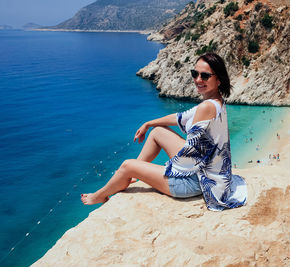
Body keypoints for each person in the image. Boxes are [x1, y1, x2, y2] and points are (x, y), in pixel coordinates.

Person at [81, 53, 247, 211]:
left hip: (194, 182)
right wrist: (149, 123)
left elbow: (189, 157)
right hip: (210, 173)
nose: (198, 79)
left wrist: (166, 168)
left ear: (218, 80)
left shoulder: (206, 107)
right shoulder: (216, 101)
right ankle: (133, 175)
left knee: (127, 165)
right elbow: (180, 117)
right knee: (157, 131)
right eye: (195, 73)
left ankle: (99, 196)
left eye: (205, 76)